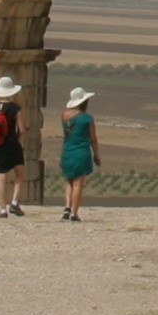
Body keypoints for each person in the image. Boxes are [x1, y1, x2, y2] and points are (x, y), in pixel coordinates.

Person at [0, 76, 27, 215]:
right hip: (12, 144)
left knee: (0, 177)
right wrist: (20, 142)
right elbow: (21, 130)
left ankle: (3, 209)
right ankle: (14, 202)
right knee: (20, 174)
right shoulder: (15, 108)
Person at [57, 88, 99, 221]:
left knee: (69, 181)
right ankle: (74, 213)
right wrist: (96, 154)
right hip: (81, 152)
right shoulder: (87, 118)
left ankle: (67, 207)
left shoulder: (63, 114)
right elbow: (93, 138)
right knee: (78, 184)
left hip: (67, 151)